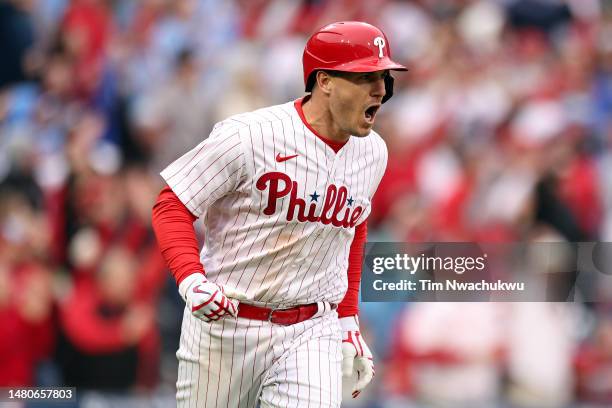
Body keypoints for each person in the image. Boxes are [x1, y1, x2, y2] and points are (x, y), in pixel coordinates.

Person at [152, 21, 406, 407]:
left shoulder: (373, 152)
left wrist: (347, 318)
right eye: (366, 77)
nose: (381, 90)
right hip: (227, 325)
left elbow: (352, 230)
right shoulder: (249, 136)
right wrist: (191, 280)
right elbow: (172, 203)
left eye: (384, 77)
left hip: (310, 330)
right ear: (325, 81)